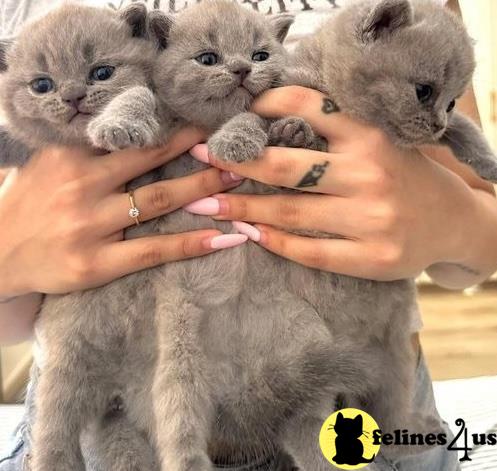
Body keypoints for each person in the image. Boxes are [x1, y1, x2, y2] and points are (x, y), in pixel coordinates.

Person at [1, 0, 496, 470]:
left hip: (359, 407)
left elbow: (478, 227)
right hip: (118, 412)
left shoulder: (413, 25)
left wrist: (452, 219)